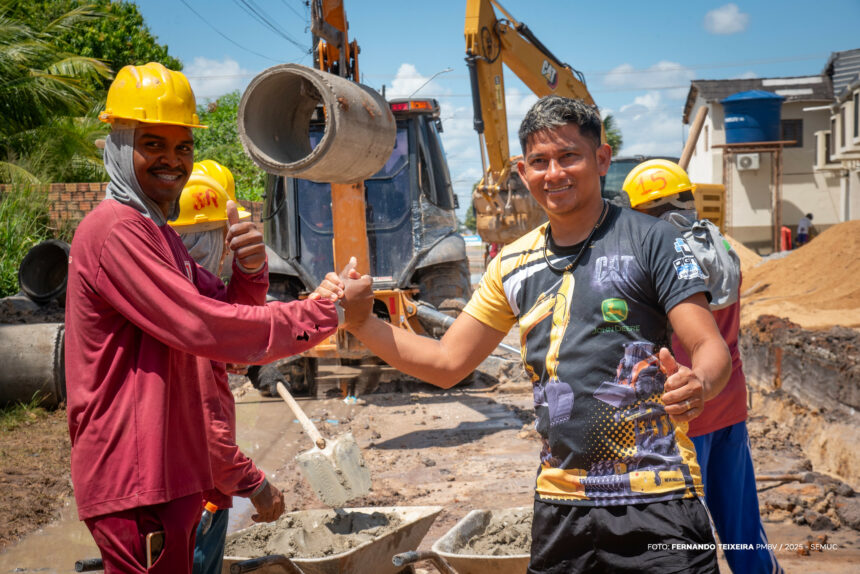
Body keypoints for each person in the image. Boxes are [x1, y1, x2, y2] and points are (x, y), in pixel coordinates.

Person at [339, 96, 731, 573]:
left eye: (569, 156)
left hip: (658, 497)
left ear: (601, 159)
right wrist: (363, 322)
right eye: (540, 162)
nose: (555, 173)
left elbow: (709, 344)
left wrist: (701, 383)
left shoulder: (653, 241)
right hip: (560, 507)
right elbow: (447, 363)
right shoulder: (512, 263)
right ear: (524, 173)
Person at [64, 63, 351, 574]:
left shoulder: (156, 233)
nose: (172, 161)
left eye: (182, 147)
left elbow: (225, 311)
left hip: (167, 475)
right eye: (153, 144)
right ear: (118, 144)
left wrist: (252, 268)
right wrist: (323, 314)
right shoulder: (116, 230)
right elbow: (206, 327)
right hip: (136, 480)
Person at [622, 159, 783, 574]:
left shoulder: (658, 258)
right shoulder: (720, 245)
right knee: (742, 525)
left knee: (680, 536)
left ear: (640, 210)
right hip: (729, 402)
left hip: (685, 416)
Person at [168, 162, 279, 574]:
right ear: (220, 239)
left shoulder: (187, 293)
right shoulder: (189, 315)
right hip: (192, 502)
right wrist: (256, 484)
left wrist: (251, 275)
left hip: (188, 497)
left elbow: (236, 336)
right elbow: (208, 439)